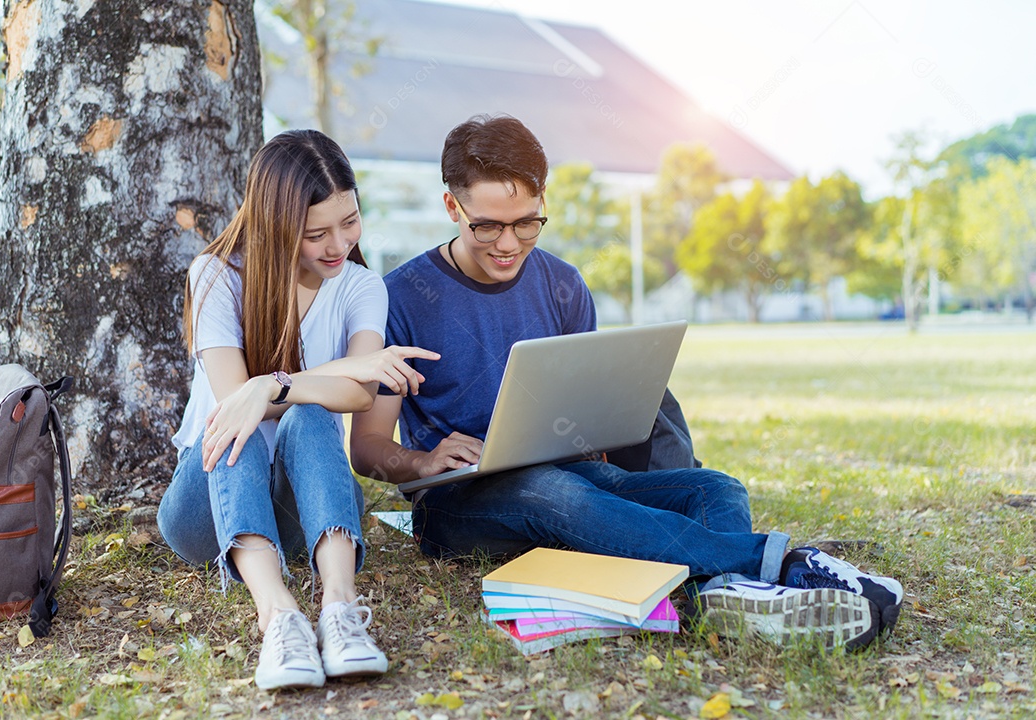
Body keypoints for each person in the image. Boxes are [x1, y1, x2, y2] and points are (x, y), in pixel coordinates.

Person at [349, 115, 903, 651]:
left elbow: (586, 415)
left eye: (526, 222)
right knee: (559, 493)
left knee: (715, 489)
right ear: (452, 205)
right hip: (455, 504)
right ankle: (782, 564)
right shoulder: (400, 297)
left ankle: (717, 598)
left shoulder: (563, 284)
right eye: (487, 225)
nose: (508, 244)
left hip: (574, 475)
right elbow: (366, 448)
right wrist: (421, 464)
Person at [157, 130, 435, 690]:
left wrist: (275, 386)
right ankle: (278, 617)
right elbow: (239, 399)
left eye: (349, 222)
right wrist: (264, 389)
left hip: (305, 504)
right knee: (236, 425)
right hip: (208, 509)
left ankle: (340, 609)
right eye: (316, 233)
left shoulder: (360, 287)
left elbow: (360, 395)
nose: (338, 243)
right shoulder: (215, 276)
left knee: (306, 415)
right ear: (276, 225)